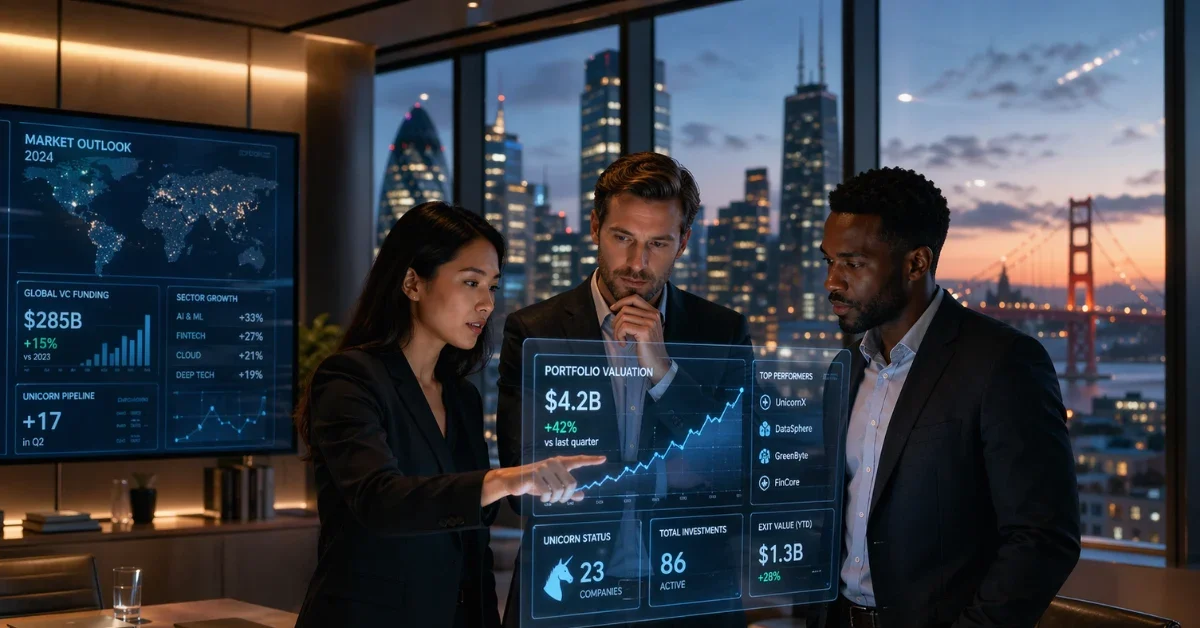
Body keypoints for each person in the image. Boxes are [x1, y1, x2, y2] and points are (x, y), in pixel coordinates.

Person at [293, 201, 605, 628]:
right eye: (471, 282)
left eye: (492, 287)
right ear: (412, 283)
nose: (486, 304)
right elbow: (380, 500)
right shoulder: (349, 379)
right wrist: (506, 478)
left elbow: (473, 546)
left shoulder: (462, 398)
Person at [813, 167, 1080, 628]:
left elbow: (1043, 538)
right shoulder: (850, 365)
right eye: (829, 261)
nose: (832, 282)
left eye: (853, 263)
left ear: (916, 263)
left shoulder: (1005, 362)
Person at [496, 152, 751, 628]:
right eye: (622, 238)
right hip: (567, 593)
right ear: (595, 228)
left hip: (690, 597)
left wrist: (664, 371)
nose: (637, 263)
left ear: (684, 242)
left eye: (658, 243)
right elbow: (524, 486)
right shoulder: (534, 330)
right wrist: (661, 477)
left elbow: (734, 473)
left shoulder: (723, 332)